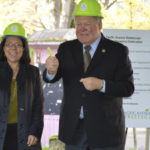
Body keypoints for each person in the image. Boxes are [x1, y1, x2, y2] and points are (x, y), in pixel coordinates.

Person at [43, 0, 134, 149]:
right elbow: (52, 76)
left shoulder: (117, 51)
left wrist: (101, 84)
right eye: (78, 24)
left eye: (87, 24)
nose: (82, 29)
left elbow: (127, 88)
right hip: (74, 130)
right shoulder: (66, 48)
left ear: (99, 25)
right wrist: (51, 70)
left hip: (106, 132)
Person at [0, 23, 44, 150]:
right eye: (9, 44)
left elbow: (38, 105)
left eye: (18, 44)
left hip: (26, 135)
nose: (13, 48)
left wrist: (35, 132)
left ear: (24, 48)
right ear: (3, 48)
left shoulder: (33, 73)